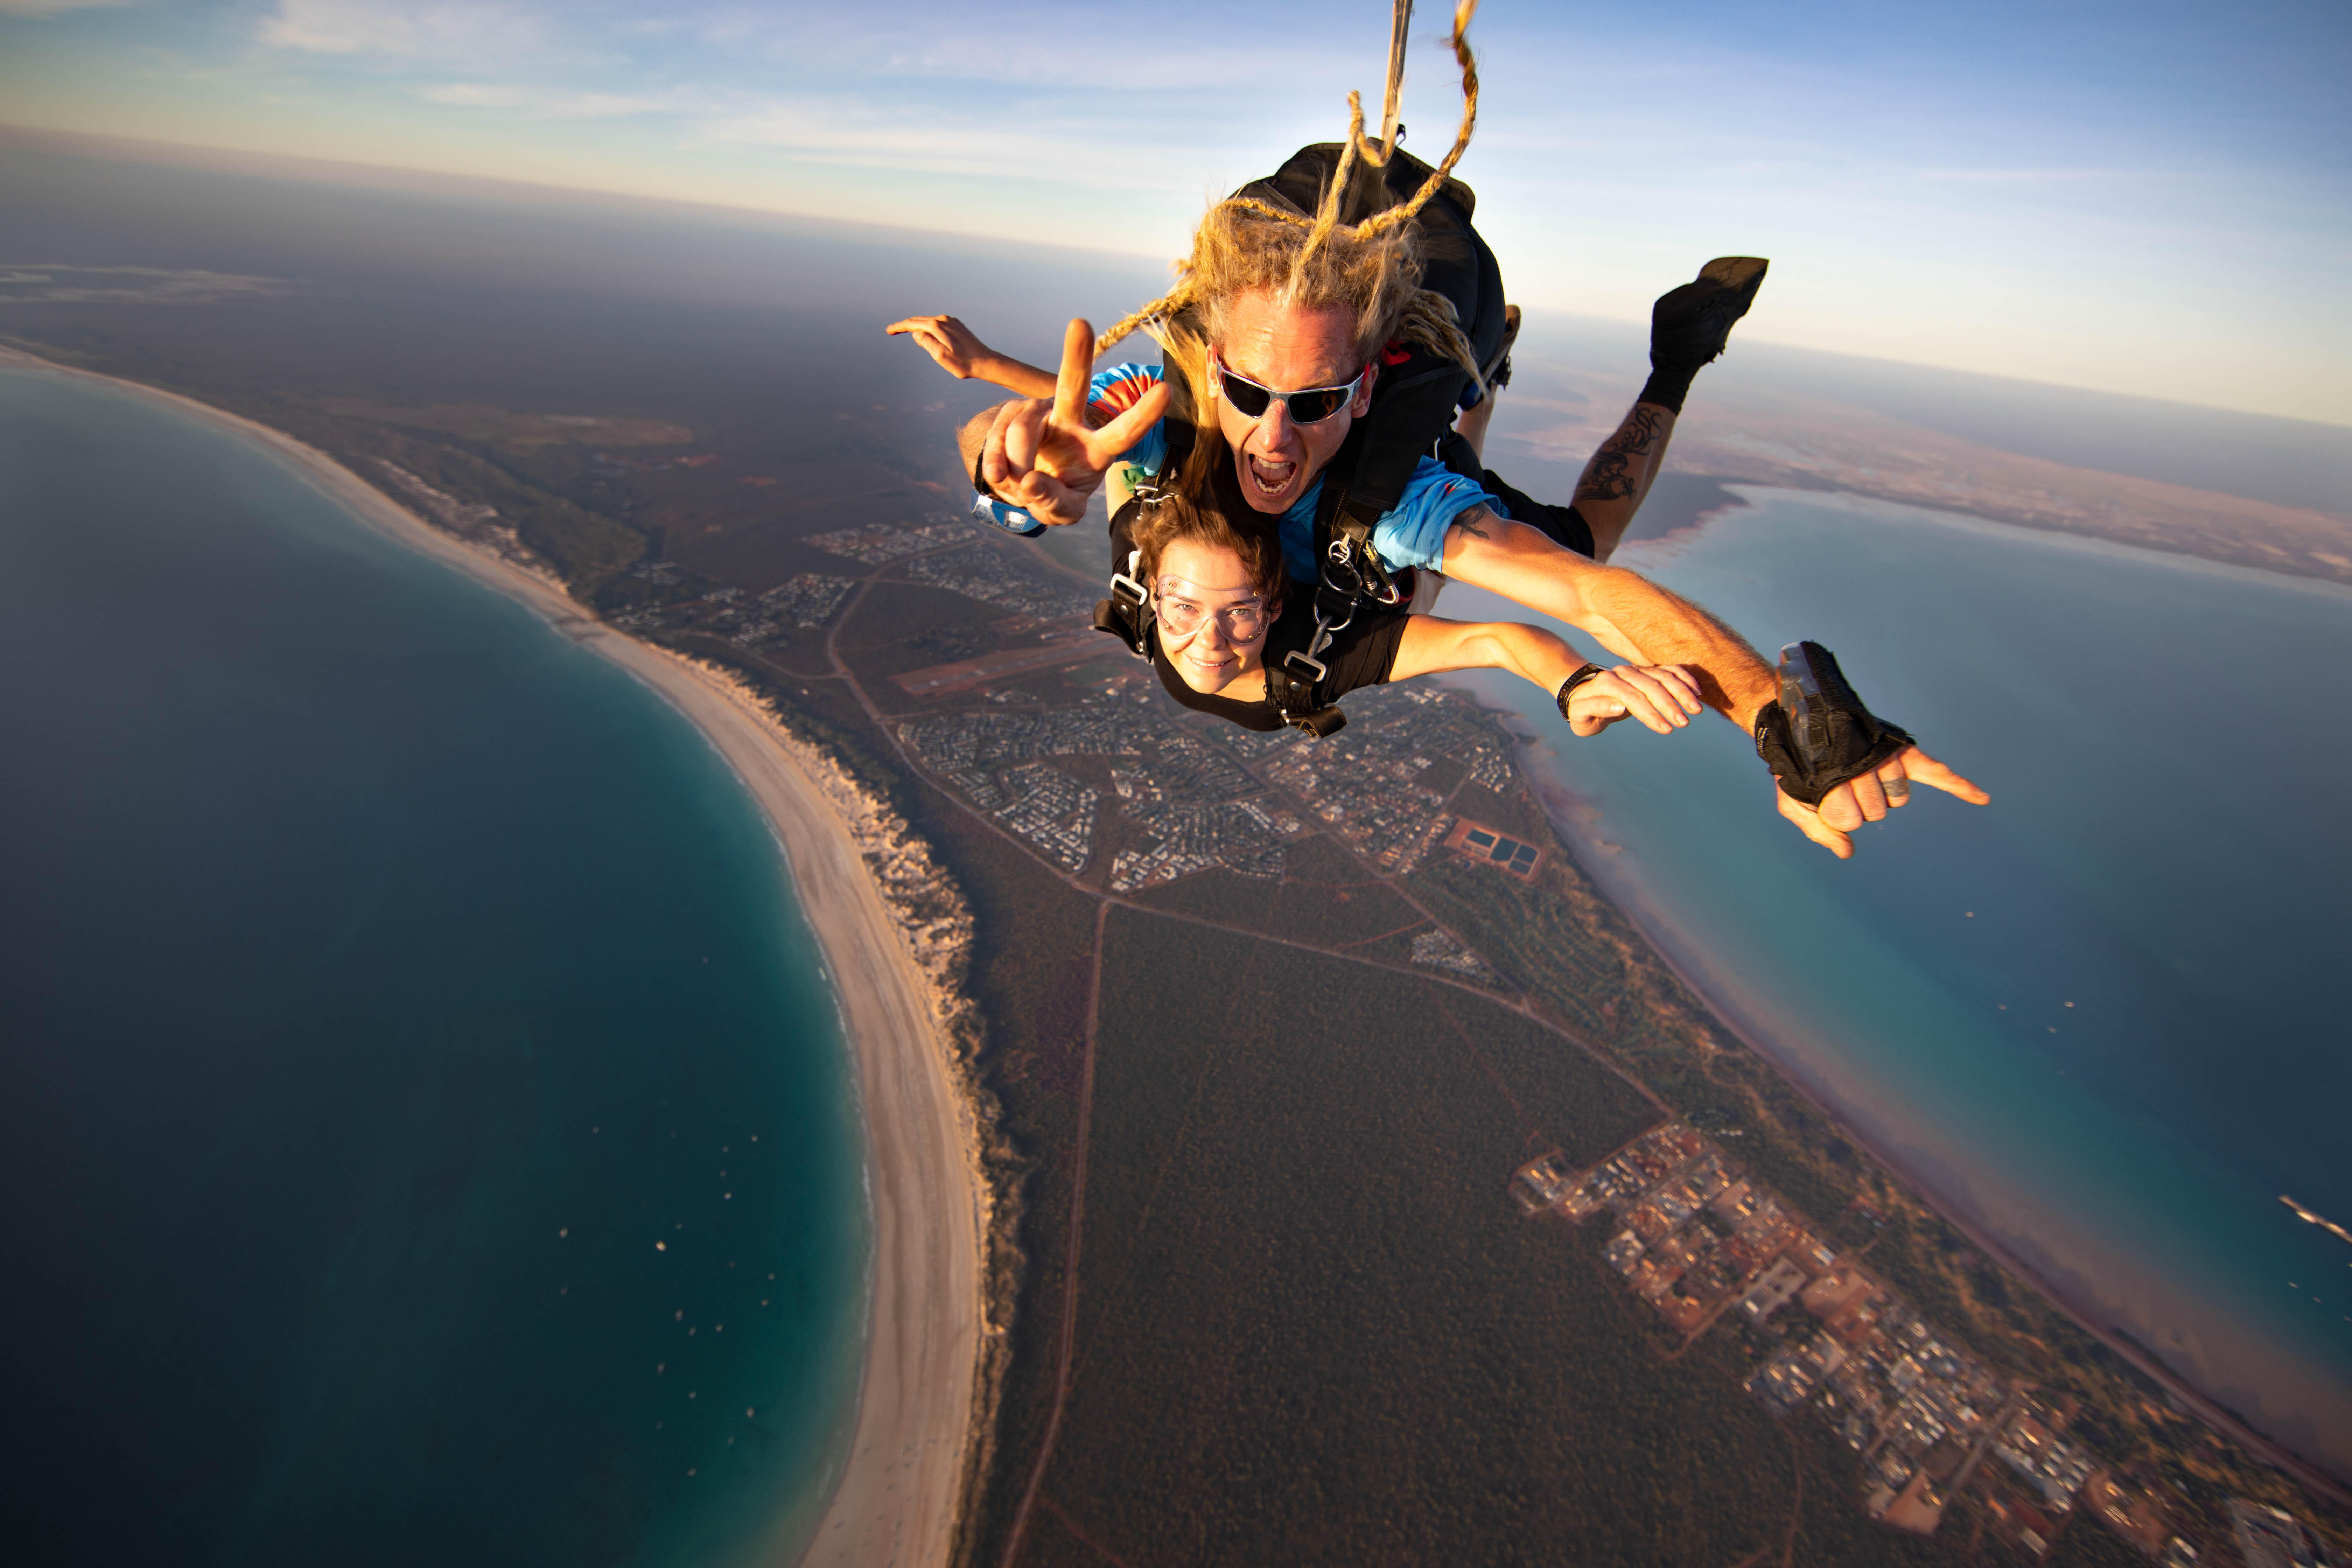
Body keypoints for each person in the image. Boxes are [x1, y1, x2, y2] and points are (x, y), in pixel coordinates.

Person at [1114, 446, 1707, 741]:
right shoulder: (1137, 581)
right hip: (1382, 570)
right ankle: (1482, 388)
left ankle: (1675, 364)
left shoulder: (1320, 659)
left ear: (1273, 608)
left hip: (1408, 512)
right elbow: (1113, 462)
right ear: (1155, 592)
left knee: (1589, 542)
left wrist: (1571, 681)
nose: (1207, 642)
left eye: (1239, 612)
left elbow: (1495, 641)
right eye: (1184, 608)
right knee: (1421, 592)